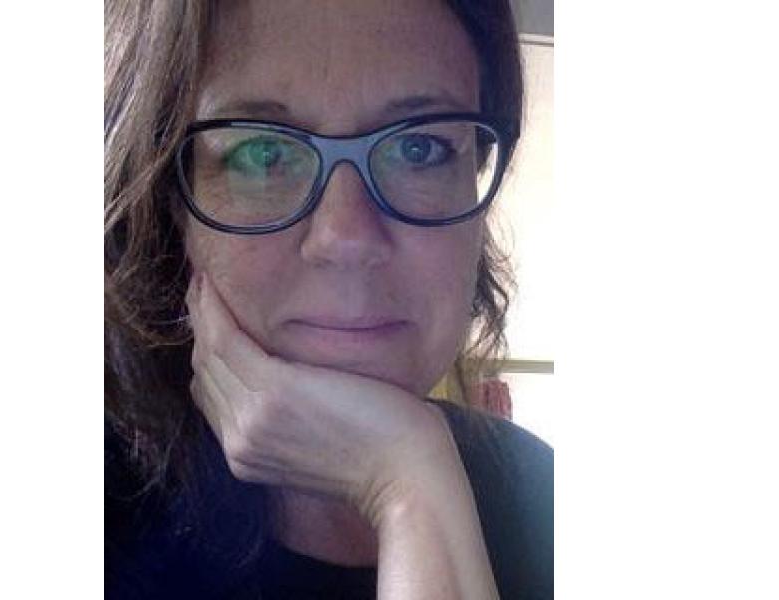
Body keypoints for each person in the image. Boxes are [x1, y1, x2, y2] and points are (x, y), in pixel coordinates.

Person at [104, 0, 553, 598]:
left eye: (419, 149)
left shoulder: (543, 494)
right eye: (262, 154)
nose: (347, 237)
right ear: (169, 211)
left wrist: (412, 486)